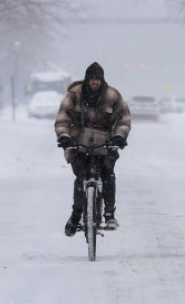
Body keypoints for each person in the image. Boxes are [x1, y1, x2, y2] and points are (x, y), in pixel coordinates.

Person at [54, 62, 131, 236]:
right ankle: (76, 215)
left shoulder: (113, 95)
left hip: (105, 143)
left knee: (108, 174)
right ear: (87, 79)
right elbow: (62, 118)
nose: (95, 82)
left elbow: (124, 118)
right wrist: (64, 137)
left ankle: (109, 214)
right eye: (92, 78)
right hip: (78, 144)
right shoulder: (74, 95)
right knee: (81, 177)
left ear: (102, 80)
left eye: (98, 79)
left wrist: (120, 136)